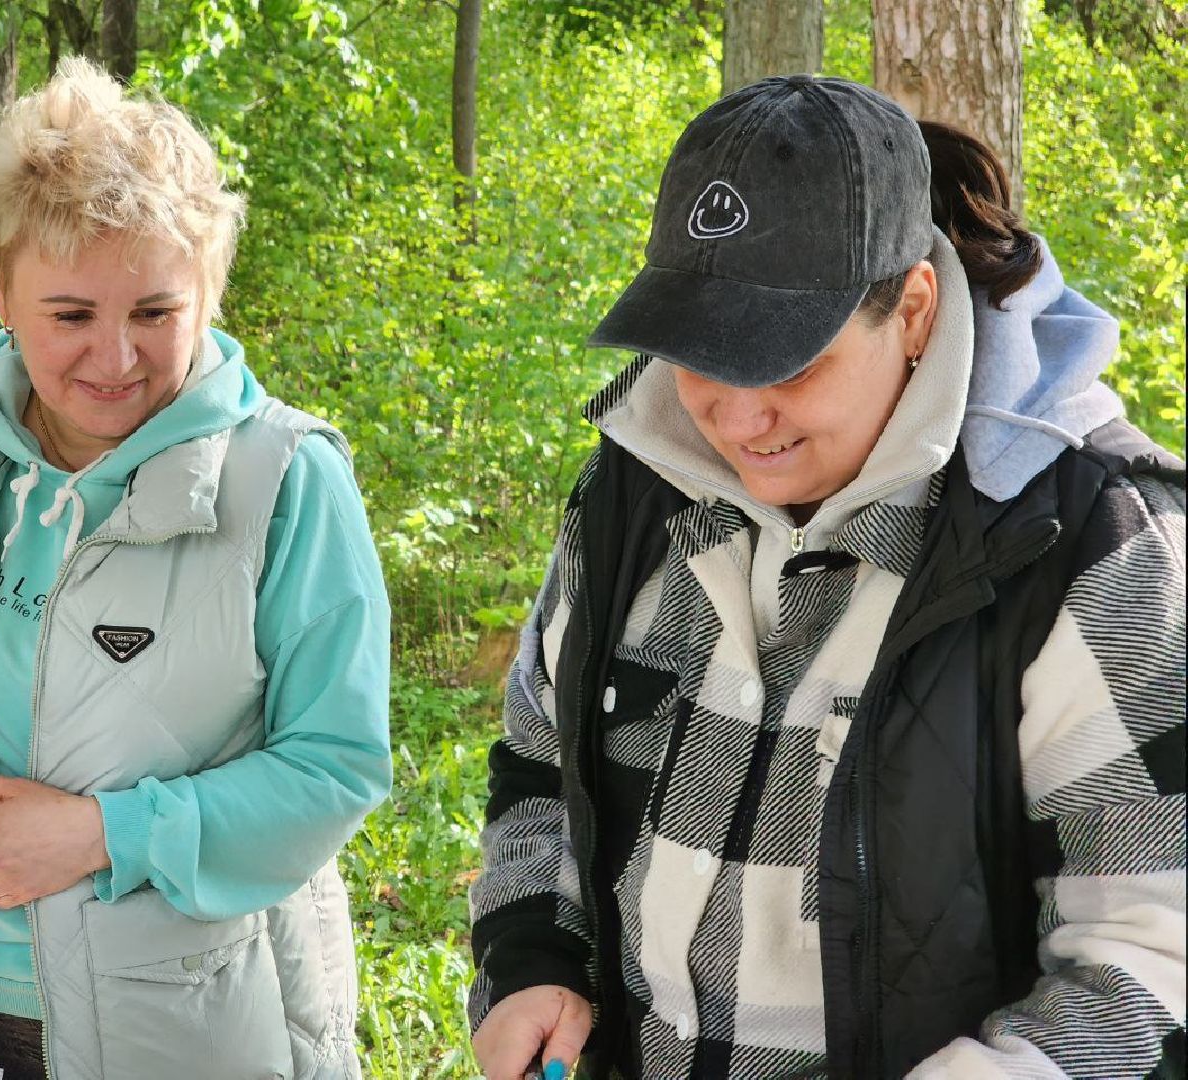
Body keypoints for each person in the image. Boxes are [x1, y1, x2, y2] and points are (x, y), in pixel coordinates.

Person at [468, 75, 1185, 1080]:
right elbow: (541, 764)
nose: (738, 417)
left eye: (790, 363)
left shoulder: (1085, 542)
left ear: (915, 312)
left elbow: (1154, 963)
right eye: (704, 355)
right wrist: (530, 957)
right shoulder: (632, 494)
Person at [0, 58, 391, 1080]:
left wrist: (104, 834)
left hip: (192, 1037)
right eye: (70, 315)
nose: (114, 360)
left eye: (156, 311)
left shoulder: (283, 480)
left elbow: (335, 766)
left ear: (213, 287)